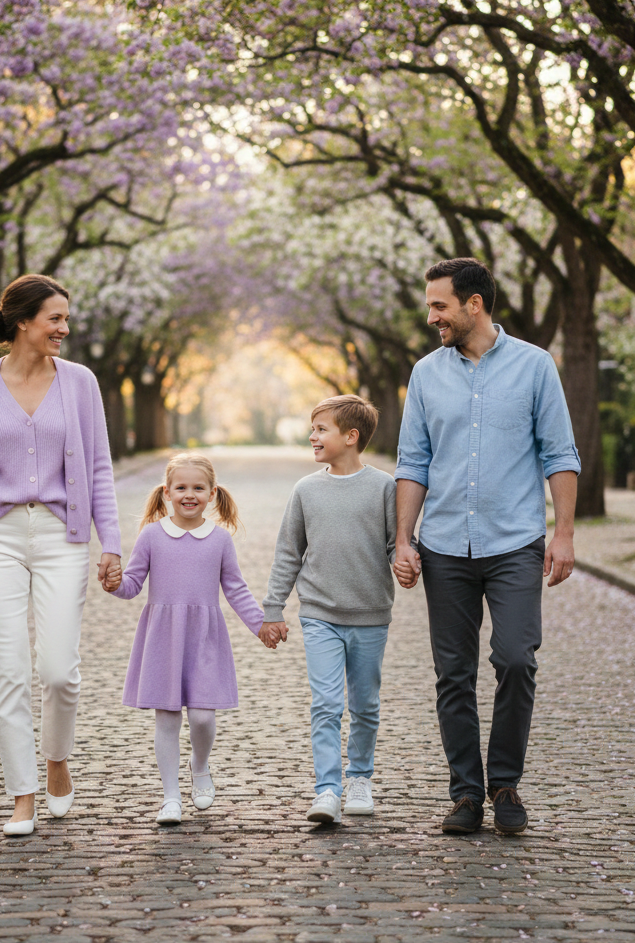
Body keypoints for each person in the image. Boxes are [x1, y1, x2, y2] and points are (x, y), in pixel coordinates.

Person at [393, 257, 580, 836]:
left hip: (514, 542)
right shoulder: (426, 374)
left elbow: (559, 452)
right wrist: (403, 537)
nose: (432, 317)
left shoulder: (534, 367)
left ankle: (505, 784)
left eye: (440, 305)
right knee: (453, 674)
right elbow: (413, 461)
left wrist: (565, 533)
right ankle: (467, 795)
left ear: (474, 304)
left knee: (517, 659)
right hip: (445, 544)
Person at [0, 274, 123, 836]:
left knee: (60, 671)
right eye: (55, 319)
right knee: (9, 669)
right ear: (23, 322)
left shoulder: (81, 383)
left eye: (66, 318)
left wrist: (110, 542)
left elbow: (99, 468)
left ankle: (57, 761)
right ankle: (22, 795)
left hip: (62, 536)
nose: (65, 328)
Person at [103, 453, 268, 825]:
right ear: (167, 492)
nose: (189, 494)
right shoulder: (151, 535)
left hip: (205, 638)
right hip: (162, 638)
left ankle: (200, 764)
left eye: (198, 488)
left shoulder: (220, 540)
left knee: (203, 717)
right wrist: (114, 584)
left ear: (212, 494)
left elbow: (236, 589)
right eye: (181, 487)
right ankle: (171, 796)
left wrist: (261, 625)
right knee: (166, 718)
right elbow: (131, 585)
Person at [260, 395, 397, 824]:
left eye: (321, 429)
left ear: (351, 437)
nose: (312, 435)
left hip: (370, 614)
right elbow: (288, 553)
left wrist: (411, 563)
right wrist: (273, 608)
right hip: (318, 613)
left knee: (365, 704)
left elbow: (398, 546)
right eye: (313, 428)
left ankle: (360, 778)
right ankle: (327, 789)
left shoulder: (384, 487)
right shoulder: (306, 490)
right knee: (325, 703)